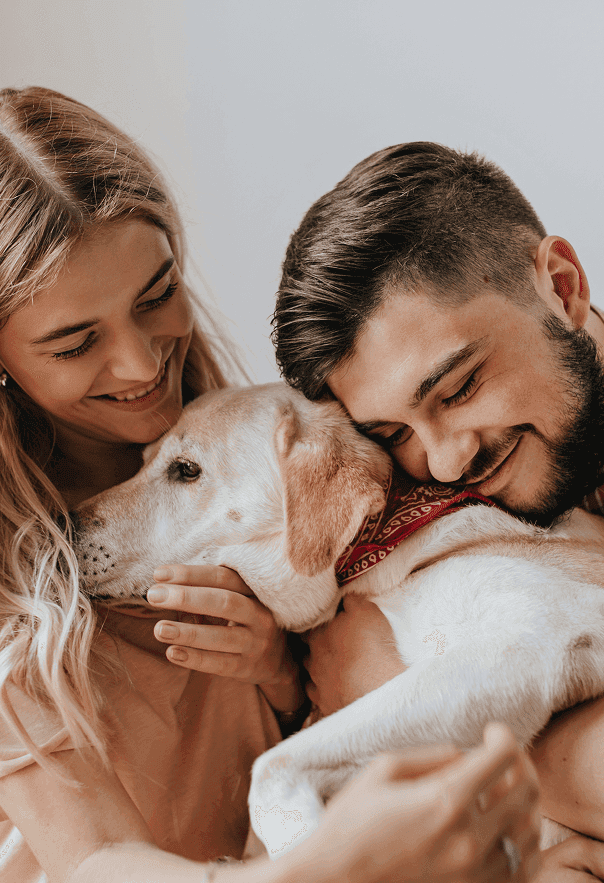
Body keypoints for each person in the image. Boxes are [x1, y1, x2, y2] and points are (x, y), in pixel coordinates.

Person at [0, 89, 540, 883]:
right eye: (77, 342)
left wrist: (284, 675)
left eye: (156, 297)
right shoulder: (15, 592)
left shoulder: (263, 445)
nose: (145, 364)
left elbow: (325, 695)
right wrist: (318, 869)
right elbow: (95, 860)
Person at [270, 141, 604, 880]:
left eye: (456, 388)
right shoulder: (416, 504)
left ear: (562, 285)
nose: (448, 461)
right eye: (394, 432)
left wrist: (400, 698)